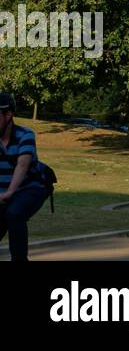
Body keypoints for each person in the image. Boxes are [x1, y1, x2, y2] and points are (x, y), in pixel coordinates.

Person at [0, 93, 53, 262]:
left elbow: (22, 165)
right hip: (3, 193)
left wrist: (9, 192)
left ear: (8, 115)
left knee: (14, 214)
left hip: (30, 189)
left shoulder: (25, 135)